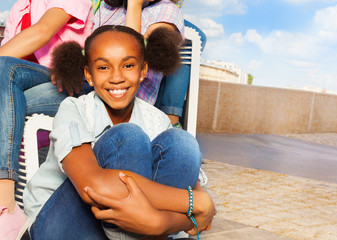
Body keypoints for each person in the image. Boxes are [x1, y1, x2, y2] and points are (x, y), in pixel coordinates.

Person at [23, 25, 215, 239]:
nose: (117, 77)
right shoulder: (74, 109)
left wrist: (161, 222)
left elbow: (196, 191)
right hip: (59, 224)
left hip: (130, 229)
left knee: (182, 143)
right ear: (89, 74)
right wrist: (192, 205)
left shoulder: (156, 119)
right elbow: (93, 186)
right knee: (127, 138)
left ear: (143, 71)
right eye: (103, 68)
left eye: (128, 65)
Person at [0, 0, 93, 239]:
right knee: (5, 91)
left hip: (66, 80)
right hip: (17, 84)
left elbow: (42, 31)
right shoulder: (19, 7)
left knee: (4, 80)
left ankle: (6, 203)